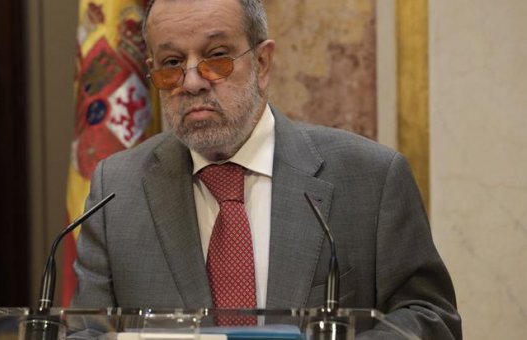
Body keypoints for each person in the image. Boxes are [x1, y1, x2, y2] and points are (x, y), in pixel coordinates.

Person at [72, 0, 462, 338]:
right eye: (172, 63)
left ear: (262, 62)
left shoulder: (370, 178)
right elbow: (85, 333)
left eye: (216, 56)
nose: (191, 82)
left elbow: (431, 320)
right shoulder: (116, 190)